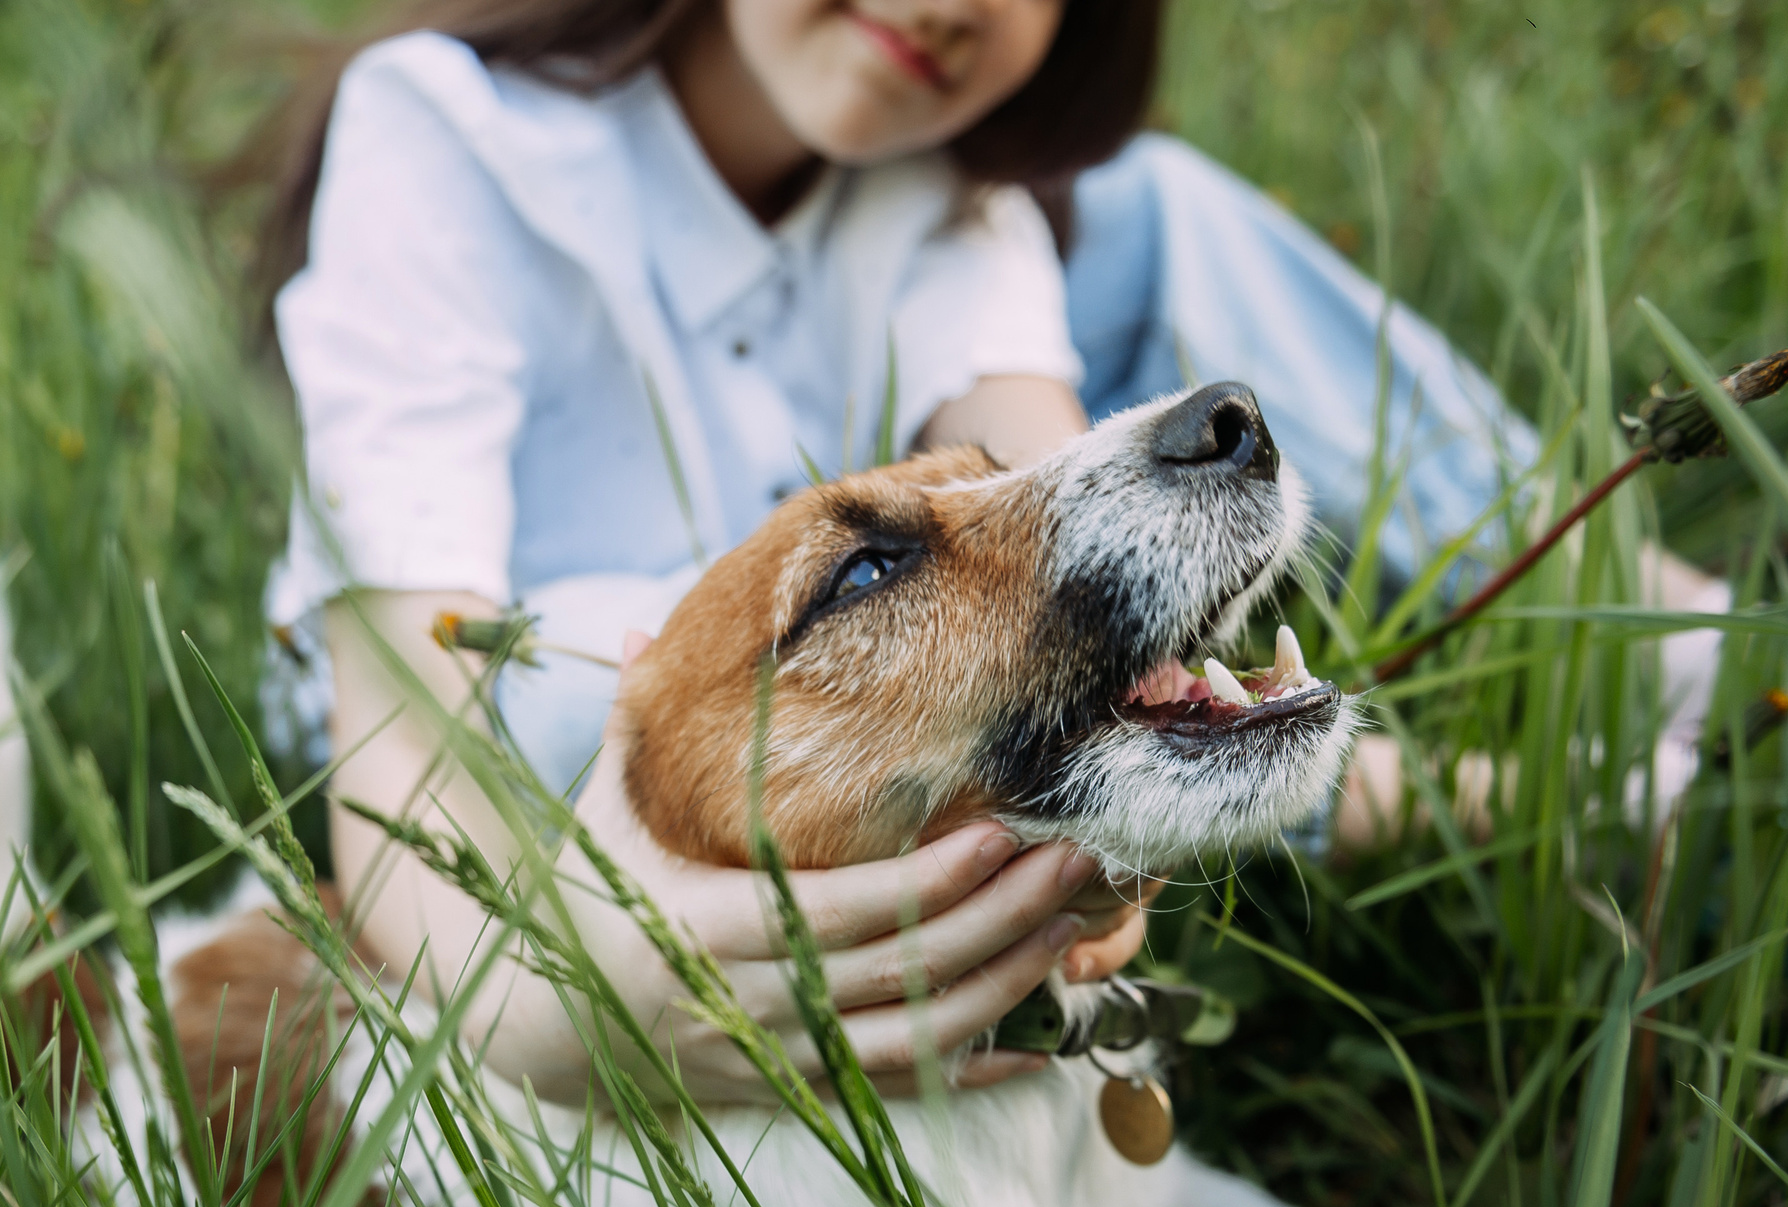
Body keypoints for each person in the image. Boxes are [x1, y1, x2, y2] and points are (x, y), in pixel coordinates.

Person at [251, 0, 1648, 1105]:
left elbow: (1067, 543)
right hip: (515, 735)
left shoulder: (940, 185)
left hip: (893, 664)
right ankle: (1583, 802)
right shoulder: (447, 131)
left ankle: (1650, 622)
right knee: (572, 680)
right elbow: (401, 754)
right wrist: (557, 1015)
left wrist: (1121, 751)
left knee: (1151, 210)